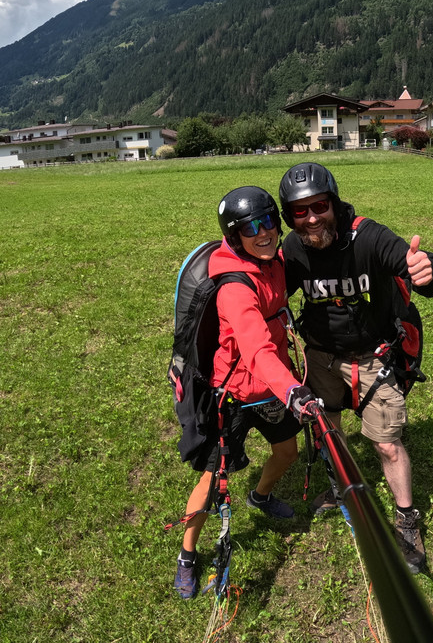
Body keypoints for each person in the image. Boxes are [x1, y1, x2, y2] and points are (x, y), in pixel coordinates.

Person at [278, 162, 433, 574]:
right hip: (319, 356)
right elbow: (267, 292)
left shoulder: (367, 237)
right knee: (328, 430)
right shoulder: (293, 250)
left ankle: (407, 520)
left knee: (387, 443)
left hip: (373, 355)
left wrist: (430, 271)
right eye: (300, 211)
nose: (312, 218)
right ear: (290, 217)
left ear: (333, 203)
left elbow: (419, 268)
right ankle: (340, 490)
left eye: (319, 206)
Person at [174, 186, 322, 599]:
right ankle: (187, 554)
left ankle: (260, 496)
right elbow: (255, 349)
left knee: (287, 453)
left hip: (274, 388)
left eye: (269, 221)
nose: (265, 233)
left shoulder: (273, 261)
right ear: (233, 235)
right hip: (235, 395)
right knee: (212, 479)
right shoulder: (234, 288)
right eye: (251, 228)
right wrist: (294, 389)